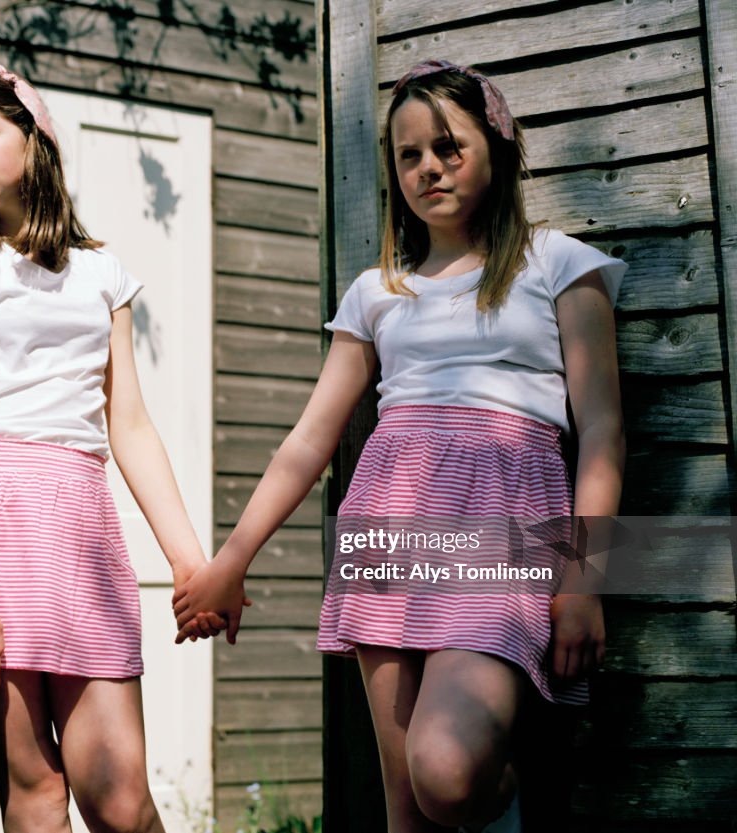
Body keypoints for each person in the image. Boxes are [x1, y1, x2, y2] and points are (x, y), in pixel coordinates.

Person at [172, 60, 626, 832]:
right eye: (409, 155)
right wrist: (231, 559)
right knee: (407, 810)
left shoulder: (556, 263)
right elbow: (309, 440)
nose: (428, 168)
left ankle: (503, 786)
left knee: (446, 773)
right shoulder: (378, 290)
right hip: (390, 519)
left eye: (448, 146)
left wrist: (585, 582)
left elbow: (604, 430)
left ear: (498, 148)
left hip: (505, 525)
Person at [0, 63, 224, 833]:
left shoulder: (101, 275)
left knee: (121, 802)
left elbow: (132, 427)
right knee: (38, 792)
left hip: (79, 531)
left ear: (36, 138)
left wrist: (191, 560)